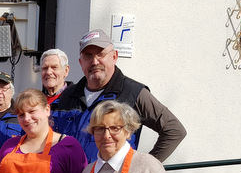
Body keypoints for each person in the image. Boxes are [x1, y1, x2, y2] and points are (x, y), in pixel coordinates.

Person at [55, 29, 186, 163]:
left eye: (101, 54)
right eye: (88, 56)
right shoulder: (67, 96)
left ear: (114, 56)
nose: (95, 61)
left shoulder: (133, 92)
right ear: (81, 62)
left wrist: (143, 167)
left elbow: (174, 130)